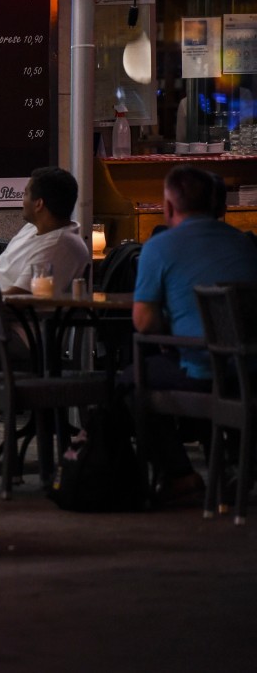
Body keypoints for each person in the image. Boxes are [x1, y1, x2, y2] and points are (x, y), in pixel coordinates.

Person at [130, 164, 257, 500]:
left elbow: (143, 323)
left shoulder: (160, 247)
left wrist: (170, 324)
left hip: (203, 369)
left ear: (169, 206)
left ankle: (180, 474)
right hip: (249, 369)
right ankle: (231, 462)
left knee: (128, 383)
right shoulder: (244, 243)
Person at [0, 166, 89, 295]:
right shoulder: (32, 228)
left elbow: (18, 297)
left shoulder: (58, 246)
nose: (23, 200)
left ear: (38, 204)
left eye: (26, 194)